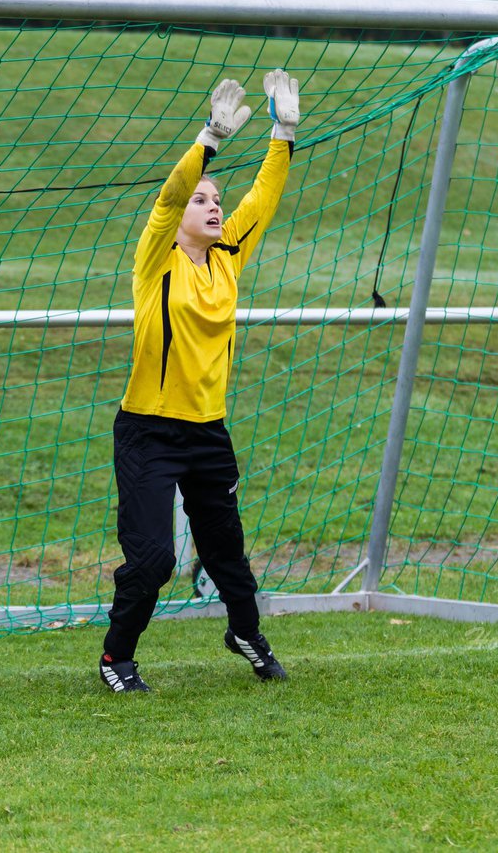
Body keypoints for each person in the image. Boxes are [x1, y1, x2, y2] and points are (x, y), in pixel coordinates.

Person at [98, 70, 301, 693]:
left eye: (217, 201)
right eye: (203, 201)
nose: (213, 206)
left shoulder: (228, 254)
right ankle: (116, 657)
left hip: (208, 433)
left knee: (228, 557)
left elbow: (261, 200)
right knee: (155, 559)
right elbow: (170, 194)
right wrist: (209, 137)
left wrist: (283, 133)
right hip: (148, 434)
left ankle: (245, 632)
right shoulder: (157, 255)